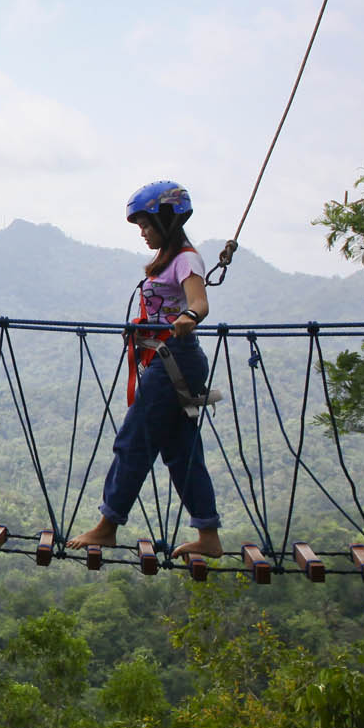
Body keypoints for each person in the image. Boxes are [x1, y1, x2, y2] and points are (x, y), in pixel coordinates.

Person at [67, 181, 222, 559]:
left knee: (134, 441)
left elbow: (199, 302)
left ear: (166, 221)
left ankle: (107, 526)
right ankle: (208, 535)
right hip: (165, 358)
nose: (143, 232)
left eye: (147, 225)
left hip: (175, 360)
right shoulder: (169, 260)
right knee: (181, 450)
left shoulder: (186, 259)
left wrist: (188, 315)